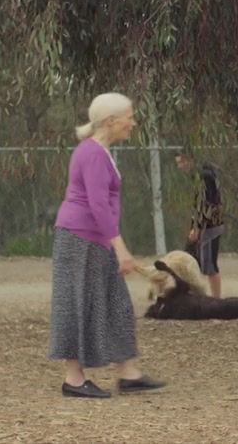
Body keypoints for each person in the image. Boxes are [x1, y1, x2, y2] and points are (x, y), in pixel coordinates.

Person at [47, 92, 165, 398]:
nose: (133, 123)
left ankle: (129, 373)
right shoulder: (93, 153)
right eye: (129, 117)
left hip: (95, 239)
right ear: (111, 121)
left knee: (117, 303)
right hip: (80, 238)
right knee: (79, 303)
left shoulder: (99, 151)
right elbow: (98, 205)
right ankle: (73, 379)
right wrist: (121, 249)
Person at [175, 148, 226, 298]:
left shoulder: (204, 176)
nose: (180, 166)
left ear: (190, 159)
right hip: (204, 225)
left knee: (210, 265)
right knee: (190, 260)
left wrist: (197, 227)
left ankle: (216, 299)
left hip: (210, 226)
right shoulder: (198, 175)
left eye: (181, 162)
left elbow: (205, 204)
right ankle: (191, 295)